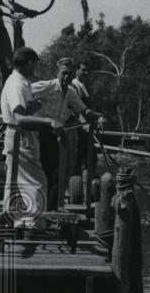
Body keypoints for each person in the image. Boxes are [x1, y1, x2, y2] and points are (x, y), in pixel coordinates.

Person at [0, 47, 62, 226]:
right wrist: (49, 121)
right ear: (29, 63)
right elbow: (18, 118)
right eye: (35, 63)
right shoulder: (17, 84)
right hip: (21, 138)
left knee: (16, 182)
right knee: (37, 181)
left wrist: (33, 108)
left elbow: (22, 111)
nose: (35, 67)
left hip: (22, 138)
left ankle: (15, 220)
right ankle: (33, 223)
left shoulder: (22, 82)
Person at [32, 57, 104, 209]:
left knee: (58, 175)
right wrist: (31, 106)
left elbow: (83, 109)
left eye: (69, 74)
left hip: (57, 138)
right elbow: (24, 92)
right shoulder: (47, 86)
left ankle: (50, 210)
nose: (66, 77)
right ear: (57, 72)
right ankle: (40, 209)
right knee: (43, 174)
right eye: (63, 73)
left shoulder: (71, 92)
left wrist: (99, 117)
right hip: (42, 134)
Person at [71, 61, 94, 178]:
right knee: (79, 156)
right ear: (77, 70)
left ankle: (88, 185)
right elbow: (74, 108)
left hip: (87, 128)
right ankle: (76, 184)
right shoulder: (73, 85)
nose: (86, 73)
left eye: (87, 71)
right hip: (79, 127)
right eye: (83, 70)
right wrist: (84, 123)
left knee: (90, 157)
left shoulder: (83, 86)